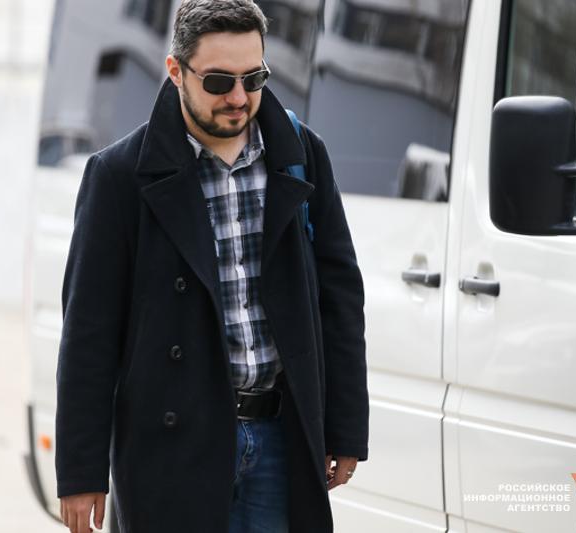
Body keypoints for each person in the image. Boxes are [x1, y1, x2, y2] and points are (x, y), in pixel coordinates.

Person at [54, 1, 369, 532]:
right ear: (176, 71)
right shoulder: (118, 176)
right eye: (220, 81)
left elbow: (340, 298)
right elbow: (89, 334)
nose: (239, 98)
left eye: (255, 78)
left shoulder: (300, 154)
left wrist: (344, 426)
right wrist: (81, 471)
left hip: (282, 439)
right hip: (171, 450)